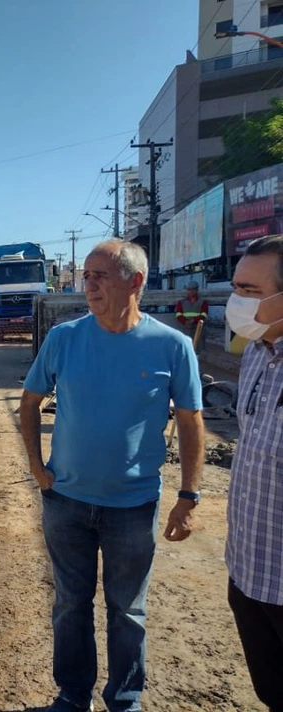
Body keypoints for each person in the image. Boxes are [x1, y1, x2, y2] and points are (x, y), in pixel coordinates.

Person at [18, 240, 204, 712]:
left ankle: (125, 701)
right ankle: (72, 697)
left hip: (133, 506)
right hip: (66, 501)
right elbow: (29, 402)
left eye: (101, 275)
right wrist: (39, 469)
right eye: (87, 275)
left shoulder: (173, 346)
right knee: (70, 606)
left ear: (134, 282)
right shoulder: (63, 338)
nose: (90, 285)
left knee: (127, 611)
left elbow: (190, 422)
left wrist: (188, 495)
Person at [224, 235, 283, 711]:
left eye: (248, 290)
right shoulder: (258, 356)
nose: (235, 301)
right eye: (235, 287)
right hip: (250, 569)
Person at [175, 280, 209, 352]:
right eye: (189, 289)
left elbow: (204, 314)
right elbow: (178, 314)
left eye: (193, 289)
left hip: (198, 328)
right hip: (186, 328)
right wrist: (185, 322)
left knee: (198, 348)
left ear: (197, 290)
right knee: (185, 347)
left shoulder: (203, 302)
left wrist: (194, 320)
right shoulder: (181, 302)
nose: (191, 291)